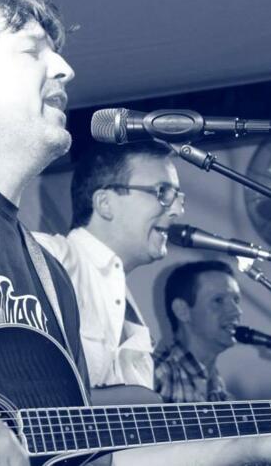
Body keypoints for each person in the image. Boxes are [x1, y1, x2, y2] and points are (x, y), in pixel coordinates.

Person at [0, 0, 271, 466]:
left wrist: (257, 444)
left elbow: (85, 457)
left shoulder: (51, 277)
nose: (65, 68)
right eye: (32, 50)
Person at [35, 143, 182, 400]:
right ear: (105, 203)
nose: (178, 210)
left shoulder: (127, 303)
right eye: (162, 192)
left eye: (178, 197)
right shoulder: (47, 256)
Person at [154, 260, 241, 403]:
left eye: (236, 300)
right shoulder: (152, 376)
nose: (237, 311)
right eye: (218, 300)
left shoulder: (224, 397)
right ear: (182, 311)